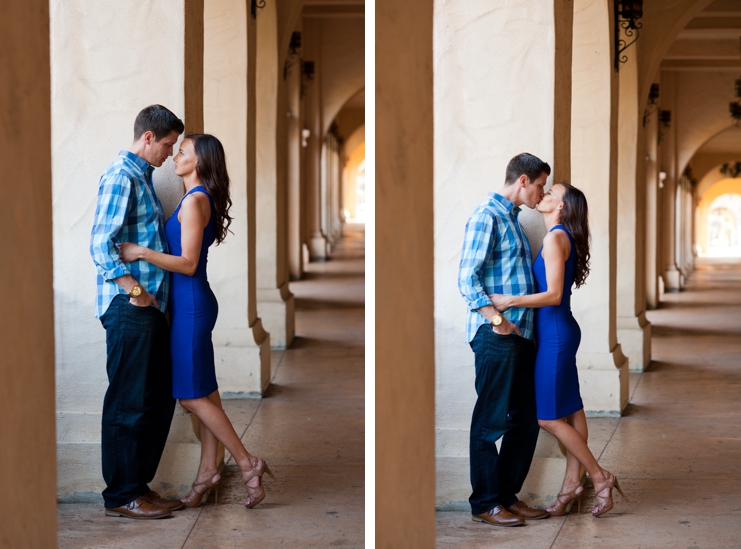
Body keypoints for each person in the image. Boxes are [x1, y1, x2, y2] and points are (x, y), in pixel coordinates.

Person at [119, 133, 275, 509]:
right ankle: (207, 471)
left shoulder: (195, 201)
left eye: (183, 152)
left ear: (199, 163)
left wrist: (140, 251)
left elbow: (187, 264)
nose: (174, 156)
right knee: (207, 392)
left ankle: (247, 462)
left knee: (190, 396)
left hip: (191, 307)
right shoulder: (195, 198)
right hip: (191, 304)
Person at [489, 181, 626, 518]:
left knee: (548, 418)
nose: (545, 194)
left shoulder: (554, 238)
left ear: (561, 207)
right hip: (559, 331)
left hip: (556, 336)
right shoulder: (561, 236)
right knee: (572, 410)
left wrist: (508, 300)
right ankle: (570, 485)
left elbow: (552, 295)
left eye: (552, 193)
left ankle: (600, 477)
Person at [90, 104, 185, 519]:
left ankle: (139, 488)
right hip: (128, 308)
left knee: (154, 399)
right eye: (167, 145)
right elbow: (100, 244)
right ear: (148, 138)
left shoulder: (142, 178)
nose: (169, 154)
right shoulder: (121, 177)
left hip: (149, 309)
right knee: (128, 402)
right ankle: (121, 495)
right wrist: (134, 290)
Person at [458, 153, 550, 527]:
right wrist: (496, 320)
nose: (542, 193)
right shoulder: (486, 216)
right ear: (524, 180)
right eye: (541, 185)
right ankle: (484, 503)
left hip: (521, 337)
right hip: (496, 336)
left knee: (525, 421)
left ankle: (506, 497)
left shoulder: (512, 220)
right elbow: (467, 278)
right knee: (490, 422)